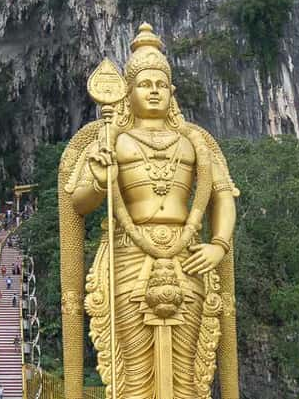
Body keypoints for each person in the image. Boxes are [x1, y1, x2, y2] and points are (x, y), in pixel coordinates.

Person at [58, 23, 240, 399]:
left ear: (171, 92)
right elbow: (78, 202)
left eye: (160, 84)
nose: (153, 90)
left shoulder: (197, 142)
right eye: (145, 84)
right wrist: (99, 177)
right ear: (128, 91)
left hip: (188, 256)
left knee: (189, 374)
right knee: (133, 373)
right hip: (128, 255)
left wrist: (218, 244)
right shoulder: (109, 139)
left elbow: (222, 196)